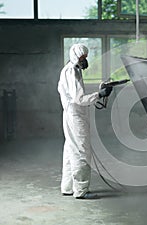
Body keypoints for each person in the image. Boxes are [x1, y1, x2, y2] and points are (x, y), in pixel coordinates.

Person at [57, 43, 112, 199]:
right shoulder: (71, 71)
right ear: (75, 56)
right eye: (82, 57)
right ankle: (81, 191)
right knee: (82, 151)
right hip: (75, 117)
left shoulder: (73, 70)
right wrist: (100, 94)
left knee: (70, 151)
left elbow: (77, 95)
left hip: (72, 114)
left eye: (85, 57)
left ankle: (67, 188)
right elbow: (79, 98)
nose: (84, 60)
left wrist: (100, 90)